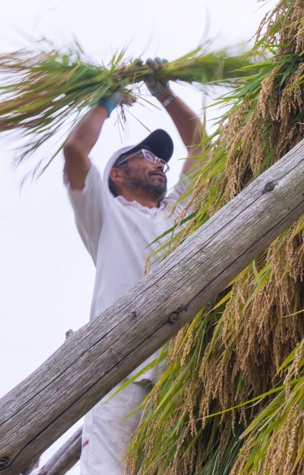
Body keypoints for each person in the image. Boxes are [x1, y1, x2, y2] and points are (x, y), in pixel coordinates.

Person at [62, 58, 205, 475]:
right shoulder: (104, 213)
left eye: (162, 160)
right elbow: (74, 151)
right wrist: (107, 100)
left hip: (177, 365)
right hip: (118, 366)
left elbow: (202, 147)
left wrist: (165, 93)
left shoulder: (175, 211)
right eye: (147, 156)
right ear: (117, 175)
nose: (160, 163)